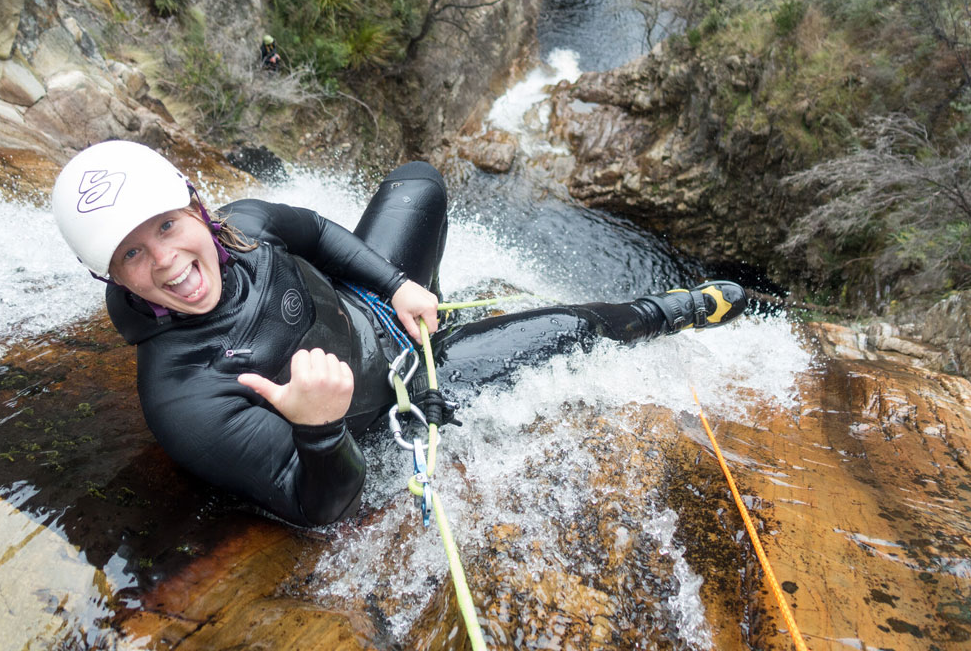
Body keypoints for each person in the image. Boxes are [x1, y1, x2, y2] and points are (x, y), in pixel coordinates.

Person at [51, 141, 747, 526]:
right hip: (394, 395)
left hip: (374, 311)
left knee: (418, 182)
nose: (167, 262)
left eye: (167, 227)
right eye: (132, 255)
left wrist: (395, 284)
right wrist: (320, 430)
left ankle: (428, 303)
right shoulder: (183, 396)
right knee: (571, 326)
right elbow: (317, 505)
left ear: (196, 209)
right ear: (110, 277)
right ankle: (677, 310)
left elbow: (318, 233)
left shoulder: (246, 224)